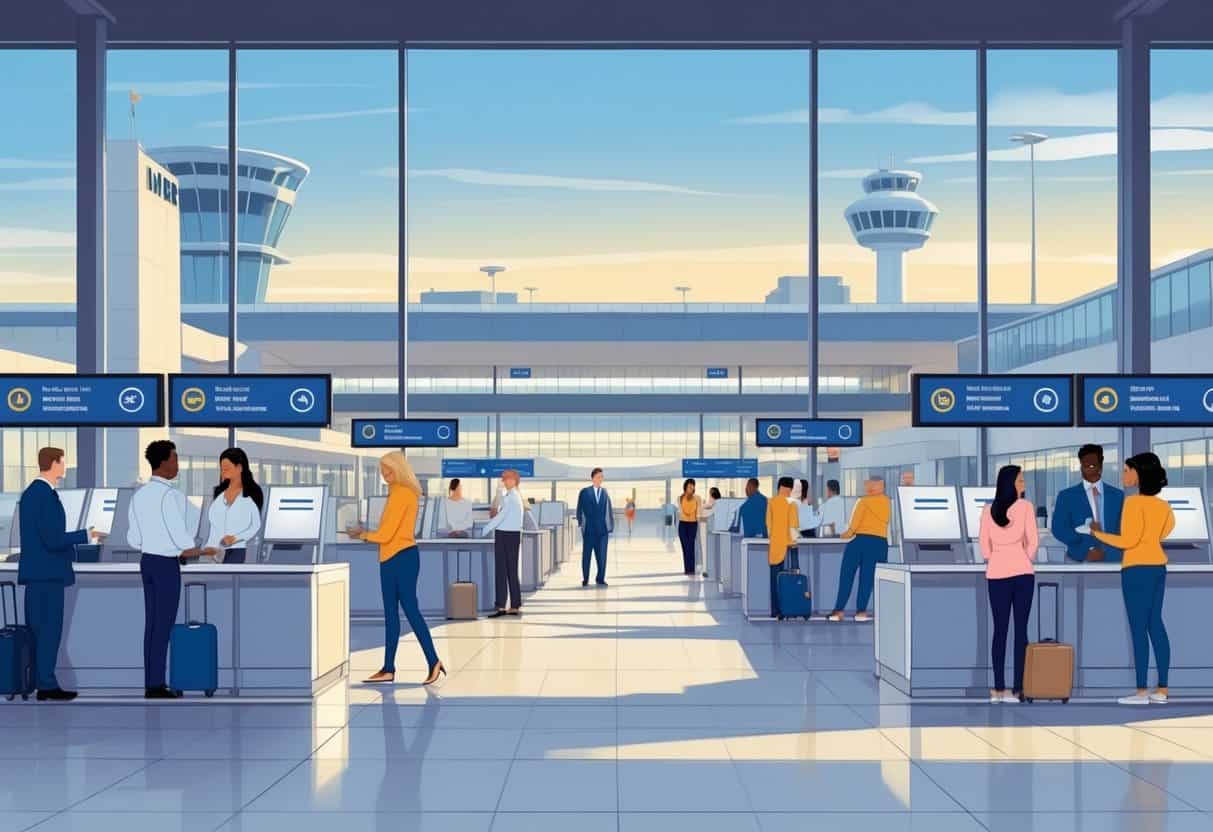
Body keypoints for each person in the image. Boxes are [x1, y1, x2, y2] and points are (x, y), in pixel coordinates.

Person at [346, 452, 444, 685]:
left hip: (401, 558)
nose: (385, 475)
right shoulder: (398, 493)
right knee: (391, 614)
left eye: (388, 471)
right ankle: (388, 668)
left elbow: (387, 534)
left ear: (399, 469)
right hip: (391, 558)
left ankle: (433, 661)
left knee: (410, 611)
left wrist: (362, 534)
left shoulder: (402, 494)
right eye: (382, 471)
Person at [17, 447, 103, 701]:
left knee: (40, 632)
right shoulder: (42, 494)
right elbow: (53, 539)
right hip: (47, 575)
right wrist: (86, 535)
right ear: (53, 463)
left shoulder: (34, 494)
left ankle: (41, 682)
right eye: (62, 461)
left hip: (38, 575)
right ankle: (46, 684)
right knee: (48, 632)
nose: (64, 466)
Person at [1090, 452, 1175, 705]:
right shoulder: (1163, 506)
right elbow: (1167, 530)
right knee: (1156, 625)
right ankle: (1162, 690)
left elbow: (1127, 541)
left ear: (1139, 474)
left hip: (1136, 569)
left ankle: (1140, 692)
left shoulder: (1133, 503)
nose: (1123, 475)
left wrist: (1098, 534)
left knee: (1139, 629)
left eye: (1127, 470)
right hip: (1158, 566)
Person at [127, 440, 203, 699]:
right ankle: (156, 685)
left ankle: (151, 681)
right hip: (165, 565)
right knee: (163, 626)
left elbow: (133, 539)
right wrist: (196, 549)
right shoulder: (171, 496)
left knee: (151, 626)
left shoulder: (139, 495)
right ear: (163, 463)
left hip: (147, 562)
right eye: (174, 459)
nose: (177, 464)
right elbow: (182, 538)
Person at [979, 465, 1037, 704]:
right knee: (1021, 631)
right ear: (1010, 483)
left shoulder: (987, 510)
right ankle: (1018, 689)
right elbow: (1033, 542)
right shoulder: (1026, 507)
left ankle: (998, 689)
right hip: (1023, 573)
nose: (1023, 485)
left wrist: (999, 558)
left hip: (997, 574)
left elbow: (984, 547)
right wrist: (1021, 557)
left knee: (1000, 630)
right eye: (1020, 480)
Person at [827, 475, 891, 622]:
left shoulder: (863, 501)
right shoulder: (887, 502)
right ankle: (861, 612)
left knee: (847, 576)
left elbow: (853, 527)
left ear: (871, 485)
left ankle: (839, 611)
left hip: (860, 541)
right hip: (880, 543)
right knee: (867, 579)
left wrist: (841, 535)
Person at [1052, 443, 1124, 563]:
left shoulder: (1118, 495)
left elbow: (1123, 529)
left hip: (1114, 560)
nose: (1089, 468)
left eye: (1093, 465)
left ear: (1101, 465)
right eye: (1085, 465)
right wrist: (1086, 549)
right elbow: (1059, 529)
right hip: (1079, 559)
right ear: (1080, 466)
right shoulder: (1067, 496)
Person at [201, 447, 262, 564]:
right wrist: (209, 547)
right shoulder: (219, 495)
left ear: (239, 468)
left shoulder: (250, 496)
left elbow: (255, 526)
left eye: (226, 469)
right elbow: (214, 527)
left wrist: (235, 538)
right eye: (221, 469)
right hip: (213, 551)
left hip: (236, 550)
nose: (223, 473)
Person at [482, 469, 525, 616]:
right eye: (504, 479)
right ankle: (514, 605)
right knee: (511, 571)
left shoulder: (510, 497)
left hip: (504, 535)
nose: (504, 481)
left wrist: (484, 530)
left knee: (502, 571)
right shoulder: (514, 496)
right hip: (513, 535)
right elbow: (500, 514)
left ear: (514, 480)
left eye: (507, 479)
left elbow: (500, 516)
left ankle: (501, 606)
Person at [765, 477, 800, 618]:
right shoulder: (791, 503)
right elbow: (793, 526)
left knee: (775, 580)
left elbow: (768, 525)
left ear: (779, 487)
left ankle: (775, 611)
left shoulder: (771, 502)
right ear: (789, 488)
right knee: (790, 580)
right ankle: (789, 609)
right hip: (790, 547)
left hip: (775, 547)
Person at [576, 467, 614, 587]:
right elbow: (579, 509)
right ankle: (586, 578)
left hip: (602, 531)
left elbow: (609, 510)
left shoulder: (605, 492)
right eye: (598, 477)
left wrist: (609, 527)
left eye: (602, 477)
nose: (600, 479)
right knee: (586, 556)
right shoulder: (584, 492)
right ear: (593, 478)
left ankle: (600, 578)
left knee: (602, 556)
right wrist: (581, 524)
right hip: (589, 530)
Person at [676, 478, 702, 576]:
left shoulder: (697, 498)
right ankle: (687, 569)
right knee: (685, 547)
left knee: (691, 546)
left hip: (693, 524)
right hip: (682, 524)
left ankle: (691, 569)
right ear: (685, 487)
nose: (691, 488)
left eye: (693, 486)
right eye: (689, 486)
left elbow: (699, 511)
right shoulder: (680, 498)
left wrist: (699, 518)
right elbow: (679, 511)